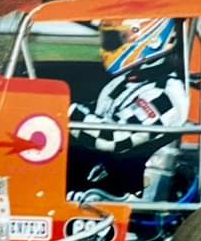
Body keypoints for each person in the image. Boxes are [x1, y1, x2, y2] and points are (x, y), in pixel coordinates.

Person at [68, 18, 189, 201]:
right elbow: (97, 117)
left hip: (125, 192)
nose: (107, 47)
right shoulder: (126, 81)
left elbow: (114, 137)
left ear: (152, 40)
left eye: (115, 39)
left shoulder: (165, 95)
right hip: (101, 173)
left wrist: (64, 112)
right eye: (107, 39)